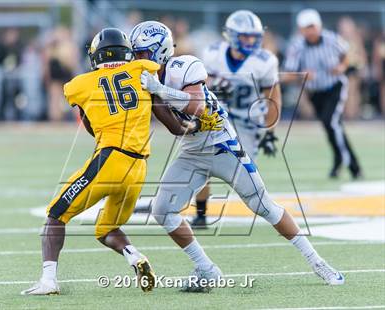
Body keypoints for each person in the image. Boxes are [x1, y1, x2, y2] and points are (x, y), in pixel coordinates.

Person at [130, 20, 345, 293]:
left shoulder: (183, 66)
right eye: (135, 54)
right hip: (191, 150)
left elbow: (196, 105)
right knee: (162, 211)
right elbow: (176, 128)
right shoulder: (144, 80)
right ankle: (207, 269)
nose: (137, 60)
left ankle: (318, 262)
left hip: (223, 146)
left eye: (142, 54)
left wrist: (158, 90)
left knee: (263, 205)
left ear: (159, 52)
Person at [21, 27, 219, 296]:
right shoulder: (143, 70)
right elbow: (174, 126)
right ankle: (134, 256)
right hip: (138, 169)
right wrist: (195, 126)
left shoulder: (79, 85)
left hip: (110, 159)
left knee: (56, 215)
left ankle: (48, 280)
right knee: (106, 227)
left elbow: (89, 125)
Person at [191, 10, 282, 228]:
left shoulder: (265, 61)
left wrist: (269, 131)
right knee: (202, 165)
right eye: (245, 36)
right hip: (215, 118)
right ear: (232, 35)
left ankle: (269, 211)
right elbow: (198, 83)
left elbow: (273, 96)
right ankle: (201, 215)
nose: (250, 41)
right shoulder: (212, 54)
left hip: (246, 124)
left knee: (246, 175)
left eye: (254, 36)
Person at [283, 9, 362, 179]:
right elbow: (288, 74)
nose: (310, 31)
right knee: (331, 127)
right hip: (315, 92)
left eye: (312, 26)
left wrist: (342, 67)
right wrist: (302, 75)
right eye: (306, 27)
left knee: (330, 122)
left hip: (335, 86)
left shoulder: (332, 39)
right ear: (301, 29)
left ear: (318, 26)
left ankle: (351, 165)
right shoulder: (296, 46)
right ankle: (339, 161)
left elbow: (348, 54)